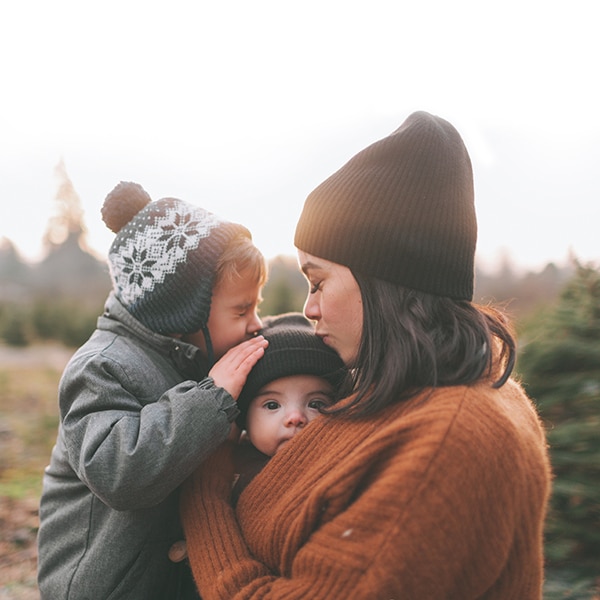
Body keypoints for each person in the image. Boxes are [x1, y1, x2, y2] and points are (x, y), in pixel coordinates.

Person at [179, 111, 552, 599]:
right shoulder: (398, 394)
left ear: (382, 280)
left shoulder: (448, 443)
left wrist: (204, 497)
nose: (308, 308)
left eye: (318, 281)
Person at [37, 181, 268, 600]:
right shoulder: (101, 367)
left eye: (257, 305)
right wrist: (211, 398)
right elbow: (118, 474)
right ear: (184, 309)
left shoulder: (189, 356)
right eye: (242, 309)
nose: (257, 323)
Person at [232, 312, 346, 501]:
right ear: (245, 420)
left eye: (316, 404)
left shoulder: (338, 467)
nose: (295, 417)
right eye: (272, 405)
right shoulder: (228, 468)